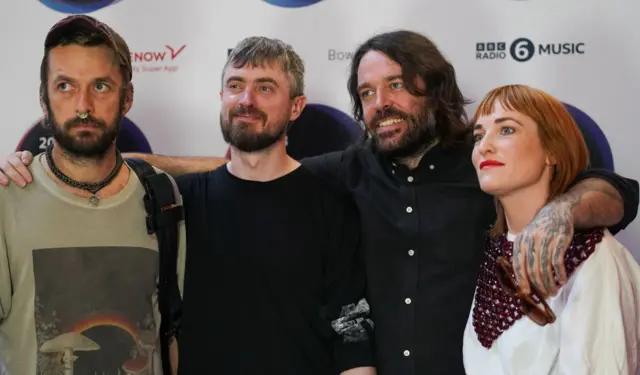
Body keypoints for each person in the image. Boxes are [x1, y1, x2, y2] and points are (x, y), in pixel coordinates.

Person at [1, 30, 638, 375]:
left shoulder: (481, 169)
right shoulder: (340, 171)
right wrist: (43, 163)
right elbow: (241, 169)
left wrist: (566, 208)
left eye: (396, 85)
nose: (379, 102)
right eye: (366, 92)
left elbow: (614, 189)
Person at [0, 15, 186, 375]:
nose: (83, 105)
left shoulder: (163, 193)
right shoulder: (8, 198)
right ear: (44, 98)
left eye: (100, 86)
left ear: (126, 97)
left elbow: (171, 332)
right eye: (65, 86)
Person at [463, 84, 640, 375]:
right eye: (478, 136)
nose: (484, 146)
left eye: (506, 130)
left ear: (552, 151)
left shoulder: (592, 256)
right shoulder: (492, 250)